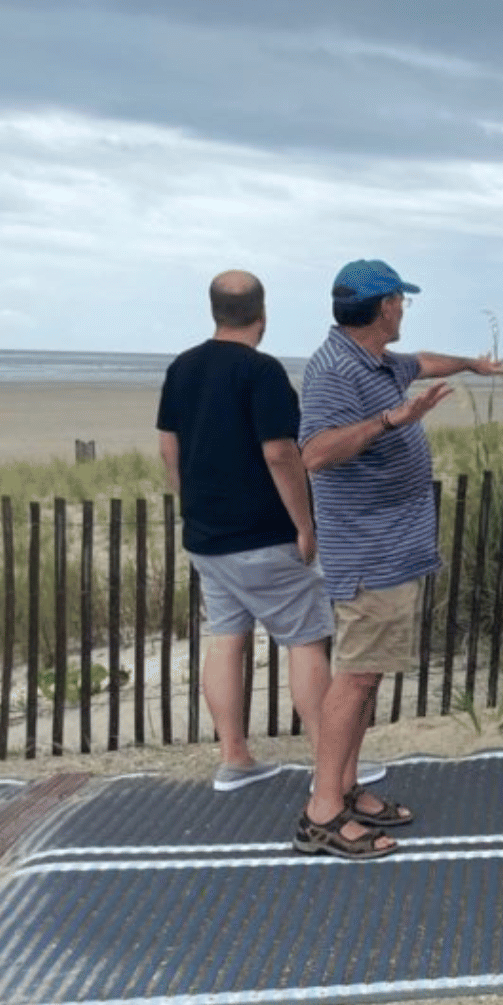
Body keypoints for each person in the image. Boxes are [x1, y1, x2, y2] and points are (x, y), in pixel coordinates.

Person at [297, 259, 503, 858]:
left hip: (390, 549)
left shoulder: (377, 360)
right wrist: (392, 419)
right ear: (382, 306)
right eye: (399, 302)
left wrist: (471, 363)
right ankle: (322, 812)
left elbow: (423, 362)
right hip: (367, 551)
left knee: (365, 678)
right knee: (355, 677)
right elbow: (314, 453)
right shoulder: (337, 370)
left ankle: (345, 785)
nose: (404, 311)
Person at [156, 271, 331, 800]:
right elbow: (280, 452)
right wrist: (305, 524)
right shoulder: (262, 371)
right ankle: (331, 761)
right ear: (262, 313)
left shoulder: (182, 367)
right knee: (305, 638)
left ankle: (234, 757)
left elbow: (169, 446)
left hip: (207, 537)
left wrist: (189, 504)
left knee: (227, 639)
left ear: (213, 310)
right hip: (265, 534)